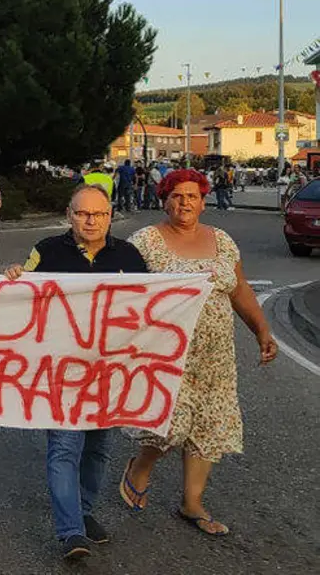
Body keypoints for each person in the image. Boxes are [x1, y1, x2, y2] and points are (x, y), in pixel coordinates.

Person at [118, 169, 277, 537]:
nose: (184, 202)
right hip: (166, 354)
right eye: (176, 195)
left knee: (210, 424)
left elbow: (239, 289)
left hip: (216, 356)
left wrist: (262, 330)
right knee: (168, 425)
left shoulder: (222, 240)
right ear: (164, 200)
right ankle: (140, 466)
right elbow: (120, 292)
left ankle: (193, 502)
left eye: (191, 196)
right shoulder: (144, 241)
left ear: (204, 202)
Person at [2, 183, 149, 560]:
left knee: (97, 448)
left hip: (111, 371)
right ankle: (71, 532)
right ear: (70, 215)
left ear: (110, 216)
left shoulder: (130, 257)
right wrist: (15, 278)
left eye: (98, 214)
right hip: (62, 371)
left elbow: (153, 307)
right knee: (66, 447)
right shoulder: (47, 251)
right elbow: (20, 295)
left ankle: (84, 512)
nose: (90, 220)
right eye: (82, 213)